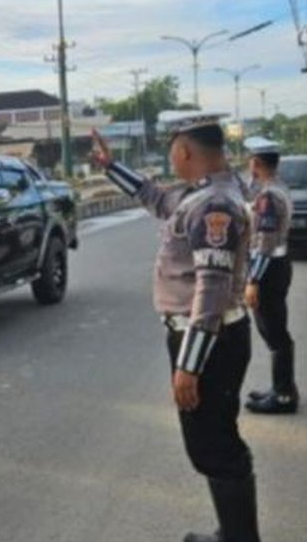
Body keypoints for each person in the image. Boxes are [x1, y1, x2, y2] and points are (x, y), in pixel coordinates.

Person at [91, 115, 261, 542]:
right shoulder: (203, 194)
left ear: (184, 150)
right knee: (211, 440)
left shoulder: (213, 206)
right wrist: (111, 166)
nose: (170, 156)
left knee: (216, 447)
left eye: (172, 148)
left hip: (208, 340)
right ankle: (231, 532)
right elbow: (156, 199)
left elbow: (213, 288)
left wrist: (189, 364)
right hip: (209, 338)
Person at [241, 139, 297, 415]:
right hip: (278, 265)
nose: (248, 165)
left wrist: (253, 281)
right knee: (276, 330)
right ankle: (281, 387)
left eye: (251, 160)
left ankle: (284, 395)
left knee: (274, 332)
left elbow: (265, 241)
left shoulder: (268, 197)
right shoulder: (277, 187)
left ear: (258, 163)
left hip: (268, 269)